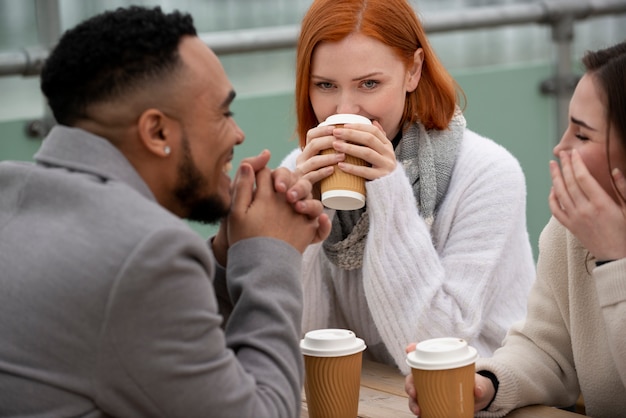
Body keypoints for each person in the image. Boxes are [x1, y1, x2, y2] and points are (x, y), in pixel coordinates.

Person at [0, 6, 331, 417]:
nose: (239, 133)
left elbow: (145, 346)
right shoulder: (147, 254)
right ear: (157, 132)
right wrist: (271, 257)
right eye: (223, 113)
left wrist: (228, 262)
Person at [280, 0, 536, 374]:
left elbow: (434, 350)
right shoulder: (299, 169)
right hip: (370, 398)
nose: (344, 108)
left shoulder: (487, 174)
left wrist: (390, 193)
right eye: (325, 85)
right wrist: (302, 223)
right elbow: (304, 344)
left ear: (413, 71)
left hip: (475, 401)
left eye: (369, 83)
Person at [405, 40, 626, 417]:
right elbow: (548, 350)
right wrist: (487, 383)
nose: (560, 146)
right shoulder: (573, 230)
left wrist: (615, 260)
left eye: (583, 135)